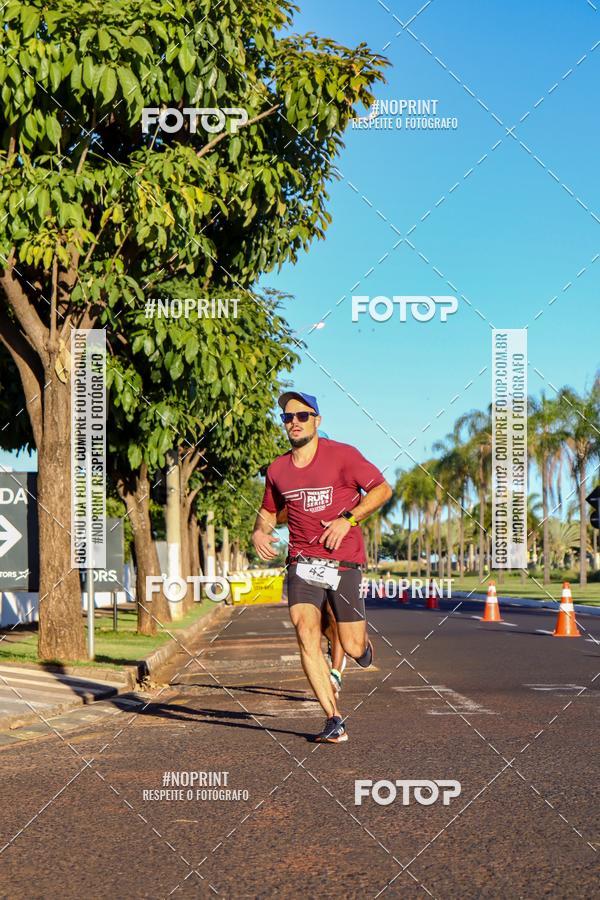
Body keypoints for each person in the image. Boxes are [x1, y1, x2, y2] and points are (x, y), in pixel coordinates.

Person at [252, 390, 392, 743]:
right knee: (305, 631)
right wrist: (259, 531)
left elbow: (382, 490)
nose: (294, 422)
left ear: (317, 420)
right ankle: (333, 718)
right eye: (288, 417)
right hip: (302, 562)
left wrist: (348, 519)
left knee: (352, 645)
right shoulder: (278, 469)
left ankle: (361, 649)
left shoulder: (343, 456)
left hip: (343, 562)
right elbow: (269, 509)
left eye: (302, 416)